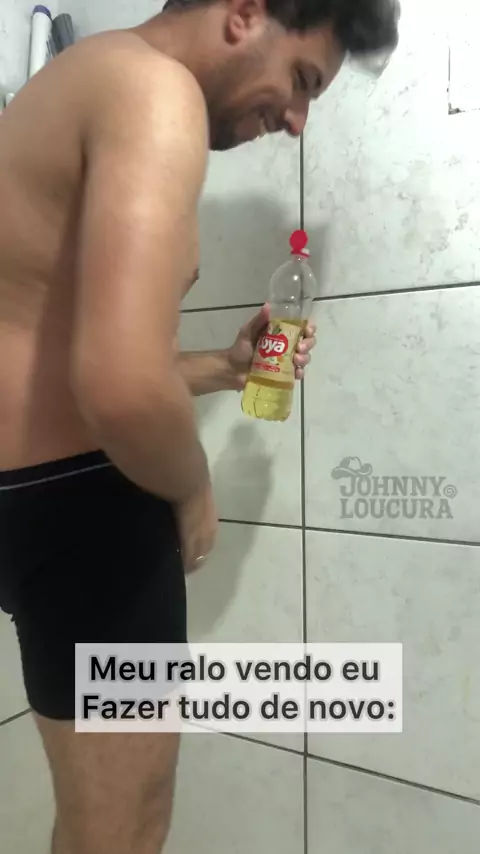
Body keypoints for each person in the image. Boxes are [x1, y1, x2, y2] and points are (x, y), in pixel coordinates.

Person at [0, 0, 399, 851]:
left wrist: (222, 367)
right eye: (302, 80)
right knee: (122, 834)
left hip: (24, 498)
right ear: (244, 13)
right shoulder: (156, 91)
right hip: (82, 514)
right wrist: (190, 488)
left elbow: (54, 358)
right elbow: (119, 387)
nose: (296, 120)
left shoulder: (64, 88)